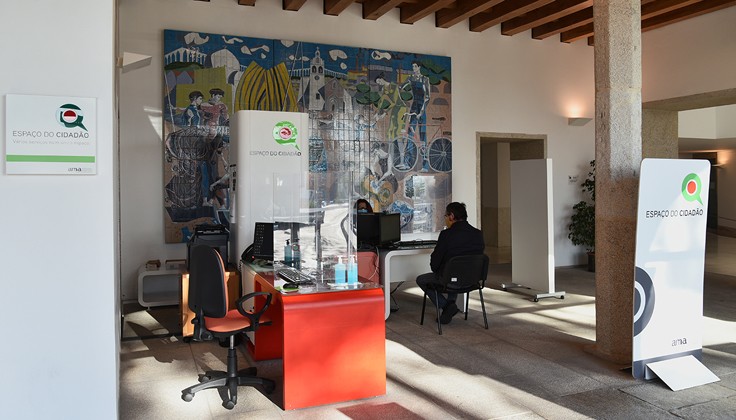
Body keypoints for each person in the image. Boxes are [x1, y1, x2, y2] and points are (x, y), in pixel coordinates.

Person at [416, 202, 485, 324]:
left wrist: (439, 269)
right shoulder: (478, 234)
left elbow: (435, 264)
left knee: (422, 280)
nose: (445, 219)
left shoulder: (446, 235)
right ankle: (450, 304)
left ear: (451, 216)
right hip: (472, 280)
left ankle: (447, 306)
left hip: (450, 280)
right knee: (454, 275)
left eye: (446, 216)